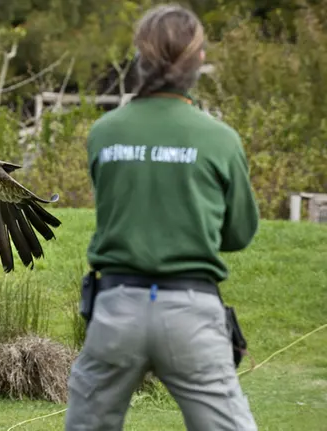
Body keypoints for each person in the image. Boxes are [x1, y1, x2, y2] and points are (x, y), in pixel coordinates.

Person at [64, 4, 260, 431]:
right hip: (192, 312)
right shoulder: (220, 139)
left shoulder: (105, 132)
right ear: (200, 61)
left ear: (139, 58)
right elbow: (239, 233)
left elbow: (119, 208)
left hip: (115, 310)